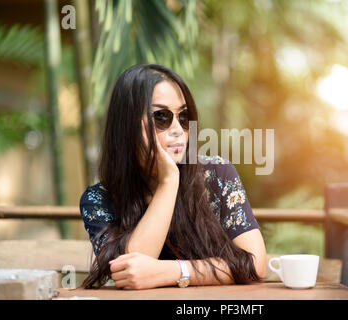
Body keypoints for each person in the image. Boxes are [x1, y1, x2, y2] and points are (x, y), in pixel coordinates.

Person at [79, 64, 267, 290]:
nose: (178, 129)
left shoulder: (217, 175)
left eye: (184, 116)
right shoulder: (99, 199)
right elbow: (132, 272)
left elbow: (256, 264)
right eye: (161, 117)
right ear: (127, 126)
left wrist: (175, 271)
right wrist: (168, 182)